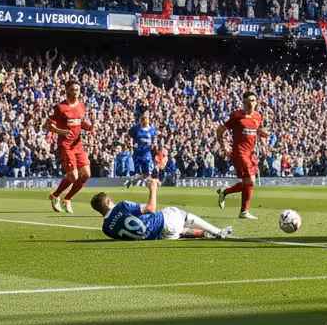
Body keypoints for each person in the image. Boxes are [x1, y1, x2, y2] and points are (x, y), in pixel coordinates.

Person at [91, 177, 232, 241]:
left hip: (160, 237)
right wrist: (153, 188)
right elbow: (151, 208)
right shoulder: (122, 206)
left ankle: (202, 234)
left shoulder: (106, 229)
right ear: (108, 201)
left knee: (179, 230)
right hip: (162, 223)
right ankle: (217, 232)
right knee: (182, 215)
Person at [215, 91, 270, 219]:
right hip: (240, 152)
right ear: (244, 102)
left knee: (249, 182)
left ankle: (225, 192)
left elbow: (257, 130)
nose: (251, 103)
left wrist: (263, 139)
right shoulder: (237, 116)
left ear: (256, 103)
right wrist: (224, 147)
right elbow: (220, 130)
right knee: (250, 180)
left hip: (251, 153)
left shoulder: (258, 116)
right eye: (249, 100)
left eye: (253, 100)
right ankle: (243, 212)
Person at [45, 78, 93, 214]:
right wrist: (62, 131)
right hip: (65, 145)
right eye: (72, 90)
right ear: (66, 91)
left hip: (78, 145)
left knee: (86, 174)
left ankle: (67, 199)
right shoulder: (60, 108)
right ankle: (55, 195)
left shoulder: (81, 106)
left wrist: (88, 127)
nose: (75, 92)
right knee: (73, 176)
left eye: (77, 90)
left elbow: (79, 123)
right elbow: (48, 126)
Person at [126, 107, 157, 189]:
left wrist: (153, 146)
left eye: (146, 117)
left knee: (147, 173)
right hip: (137, 154)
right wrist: (130, 145)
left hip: (147, 154)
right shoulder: (136, 128)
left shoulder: (152, 129)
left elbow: (154, 141)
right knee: (139, 173)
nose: (144, 119)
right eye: (143, 117)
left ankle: (136, 181)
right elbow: (128, 136)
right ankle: (135, 180)